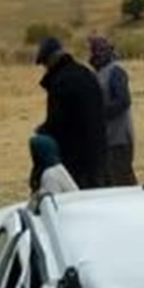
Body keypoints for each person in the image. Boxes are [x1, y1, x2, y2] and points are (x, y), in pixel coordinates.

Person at [34, 36, 108, 190]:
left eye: (46, 63)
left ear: (53, 59)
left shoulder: (61, 82)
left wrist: (42, 131)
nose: (46, 68)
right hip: (98, 152)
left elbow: (57, 122)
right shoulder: (85, 73)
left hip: (75, 158)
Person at [88, 36, 138, 186]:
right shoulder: (99, 73)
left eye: (99, 51)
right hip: (107, 139)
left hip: (119, 137)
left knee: (122, 180)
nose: (95, 55)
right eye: (94, 51)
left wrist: (100, 114)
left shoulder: (115, 71)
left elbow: (123, 100)